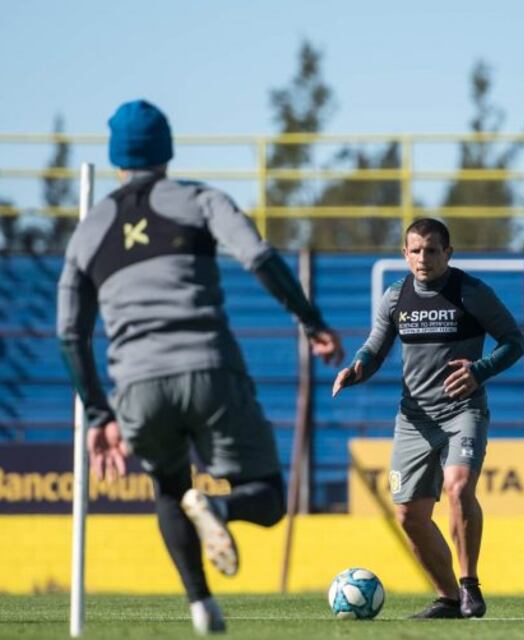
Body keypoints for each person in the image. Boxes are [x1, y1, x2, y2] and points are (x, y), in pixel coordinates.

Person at [56, 99, 343, 635]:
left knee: (168, 489)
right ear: (167, 149)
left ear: (116, 158)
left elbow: (69, 334)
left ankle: (201, 606)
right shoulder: (199, 199)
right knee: (268, 496)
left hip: (136, 387)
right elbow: (258, 257)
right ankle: (220, 509)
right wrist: (311, 321)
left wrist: (98, 415)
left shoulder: (88, 231)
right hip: (208, 367)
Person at [332, 218, 524, 619]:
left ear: (448, 254)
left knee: (457, 488)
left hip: (463, 411)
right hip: (415, 418)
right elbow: (376, 346)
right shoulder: (395, 296)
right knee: (409, 515)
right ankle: (448, 598)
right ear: (405, 254)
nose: (423, 258)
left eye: (432, 250)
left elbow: (514, 341)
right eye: (415, 250)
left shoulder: (470, 292)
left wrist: (479, 370)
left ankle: (470, 585)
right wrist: (357, 368)